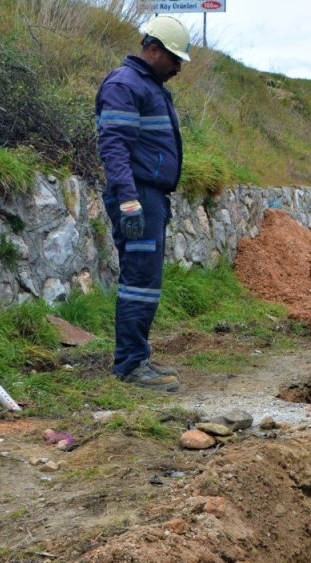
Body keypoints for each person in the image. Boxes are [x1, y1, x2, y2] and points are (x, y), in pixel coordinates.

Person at [95, 15, 191, 391]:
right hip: (137, 194)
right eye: (175, 58)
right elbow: (113, 146)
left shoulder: (147, 85)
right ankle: (131, 366)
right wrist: (129, 200)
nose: (179, 67)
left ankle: (136, 358)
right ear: (153, 50)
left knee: (145, 280)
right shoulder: (125, 84)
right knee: (139, 281)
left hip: (148, 195)